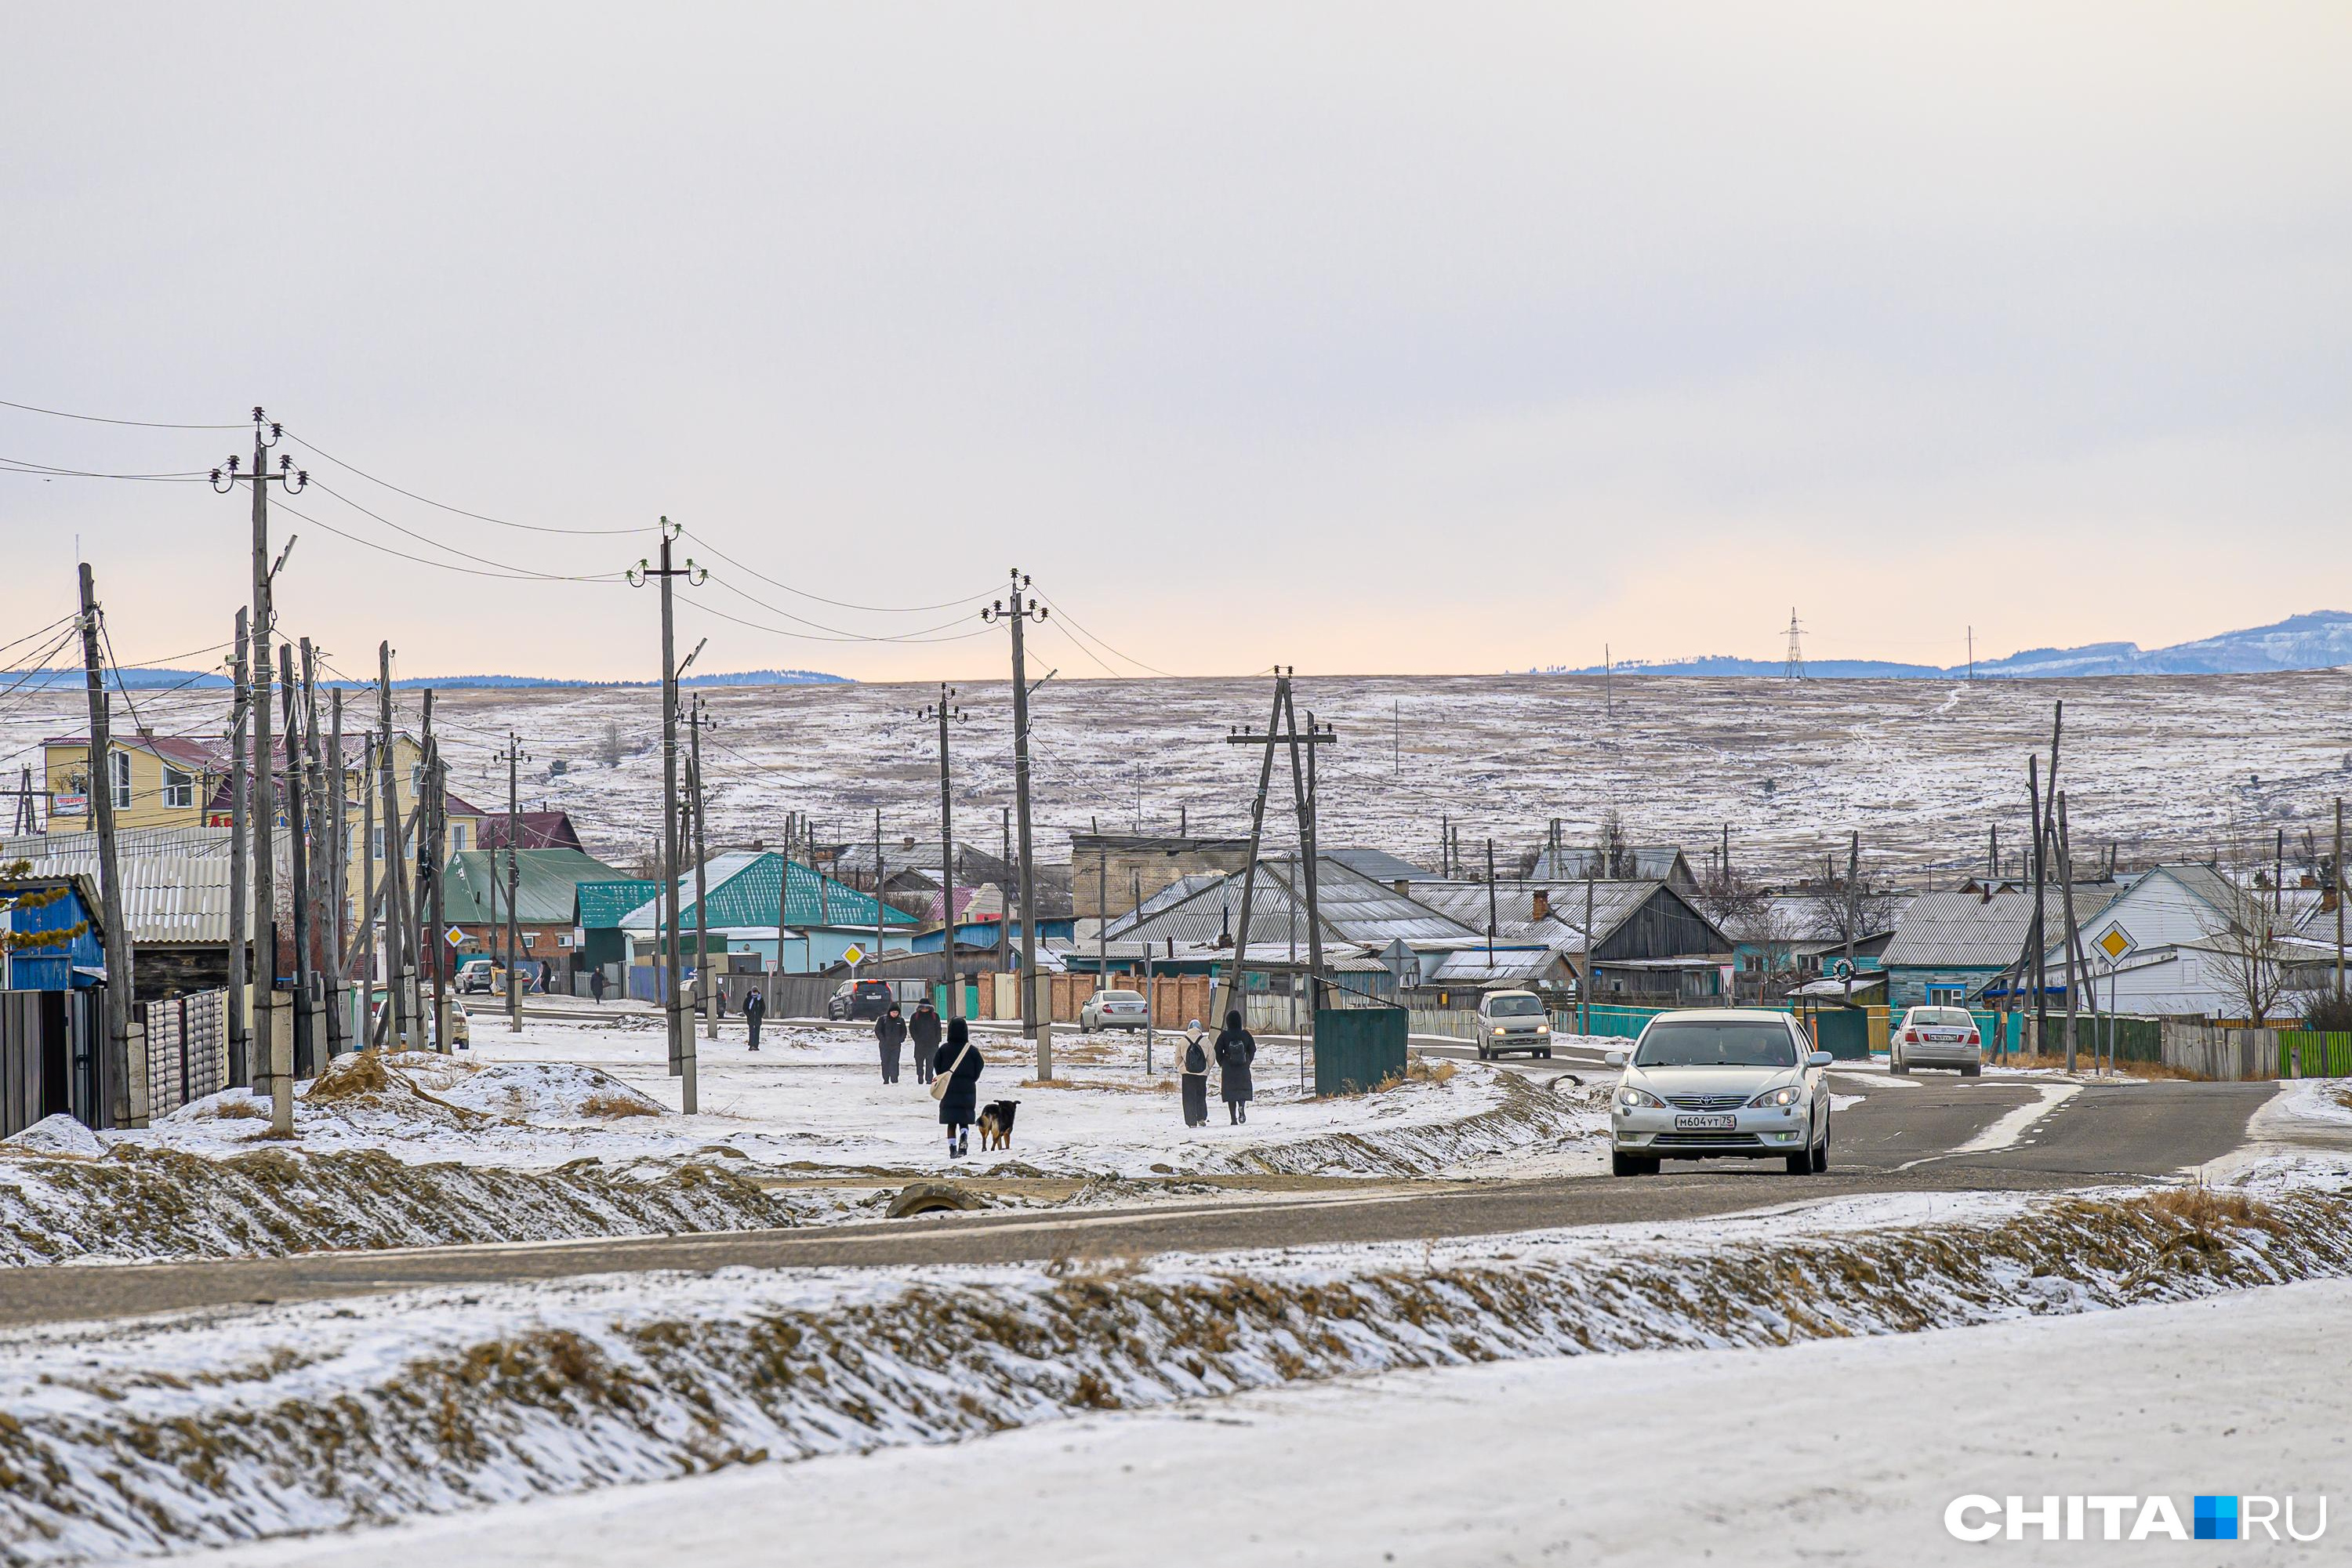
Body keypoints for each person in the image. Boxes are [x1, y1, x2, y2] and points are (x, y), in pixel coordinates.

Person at [935, 1016, 984, 1158]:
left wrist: (944, 1077)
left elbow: (936, 1065)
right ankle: (964, 1138)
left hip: (948, 1089)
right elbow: (979, 1065)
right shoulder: (971, 1050)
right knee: (964, 1119)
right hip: (967, 1089)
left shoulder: (944, 1049)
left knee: (951, 1123)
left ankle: (952, 1150)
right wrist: (972, 1079)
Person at [1214, 1009, 1256, 1125]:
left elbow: (1217, 1050)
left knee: (1231, 1093)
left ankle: (1233, 1119)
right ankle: (1241, 1107)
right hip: (1243, 1068)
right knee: (1242, 1091)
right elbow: (1253, 1048)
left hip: (1229, 1068)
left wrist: (1222, 1062)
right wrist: (1248, 1060)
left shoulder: (1224, 1035)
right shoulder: (1245, 1034)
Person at [1179, 1017, 1210, 1127]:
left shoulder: (1182, 1041)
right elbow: (1211, 1057)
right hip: (1202, 1073)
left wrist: (1182, 1067)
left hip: (1187, 1074)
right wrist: (1206, 1069)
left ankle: (1191, 1121)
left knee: (1188, 1097)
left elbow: (1177, 1058)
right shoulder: (1205, 1041)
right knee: (1201, 1095)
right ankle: (1201, 1117)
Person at [909, 997, 943, 1084]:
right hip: (920, 1044)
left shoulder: (935, 1016)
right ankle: (920, 1076)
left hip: (932, 1044)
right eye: (922, 1007)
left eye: (926, 1007)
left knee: (931, 1062)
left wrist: (937, 1040)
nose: (924, 1009)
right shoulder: (915, 1016)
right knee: (919, 1062)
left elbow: (938, 1028)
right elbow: (912, 1029)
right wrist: (916, 1039)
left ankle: (929, 1079)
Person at [876, 1004, 908, 1084]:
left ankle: (894, 1079)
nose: (895, 1014)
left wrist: (900, 1040)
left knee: (894, 1062)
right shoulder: (883, 1019)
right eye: (893, 1012)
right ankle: (886, 1079)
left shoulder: (900, 1021)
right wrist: (883, 1040)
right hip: (884, 1045)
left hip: (896, 1045)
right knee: (885, 1062)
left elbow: (904, 1032)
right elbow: (878, 1030)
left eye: (896, 1012)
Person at [743, 985, 765, 1051]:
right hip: (751, 1019)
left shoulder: (760, 999)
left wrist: (760, 1015)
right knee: (752, 1032)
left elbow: (763, 1008)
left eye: (756, 991)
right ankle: (751, 1045)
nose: (755, 993)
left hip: (758, 1019)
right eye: (754, 991)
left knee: (757, 1032)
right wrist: (748, 1015)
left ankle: (756, 1045)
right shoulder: (748, 999)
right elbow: (745, 1008)